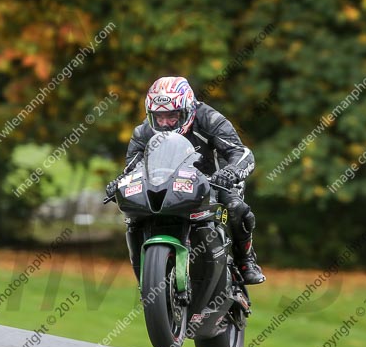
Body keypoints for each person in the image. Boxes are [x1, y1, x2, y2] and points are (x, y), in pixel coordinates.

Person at [106, 76, 266, 285]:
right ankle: (147, 277)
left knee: (236, 207)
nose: (164, 123)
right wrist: (119, 183)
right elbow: (132, 169)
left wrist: (231, 172)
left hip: (214, 179)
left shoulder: (209, 119)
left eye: (172, 116)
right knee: (133, 216)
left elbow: (240, 152)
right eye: (158, 117)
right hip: (166, 184)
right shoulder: (142, 132)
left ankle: (246, 260)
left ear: (188, 109)